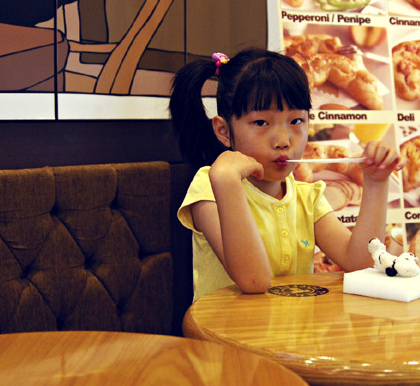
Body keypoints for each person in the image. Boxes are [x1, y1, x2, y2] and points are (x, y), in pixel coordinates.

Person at [170, 42, 397, 315]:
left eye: (296, 121)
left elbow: (361, 263)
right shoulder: (211, 186)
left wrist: (376, 183)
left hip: (292, 335)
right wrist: (227, 181)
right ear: (224, 131)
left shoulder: (306, 197)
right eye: (261, 123)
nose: (283, 141)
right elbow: (254, 280)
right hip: (224, 336)